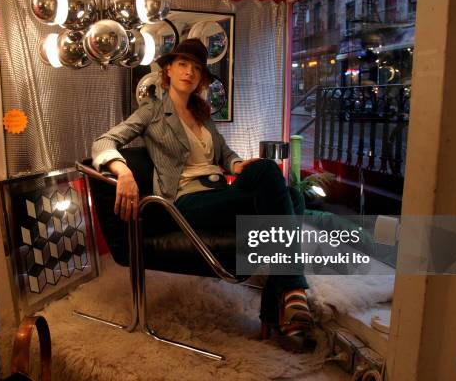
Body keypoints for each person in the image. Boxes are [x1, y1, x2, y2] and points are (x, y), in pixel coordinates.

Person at [92, 38, 314, 352]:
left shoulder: (202, 113)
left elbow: (225, 155)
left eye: (197, 68)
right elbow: (104, 141)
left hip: (219, 194)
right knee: (274, 179)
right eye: (183, 64)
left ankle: (274, 307)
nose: (190, 72)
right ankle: (292, 293)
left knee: (293, 196)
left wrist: (238, 163)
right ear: (168, 69)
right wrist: (123, 171)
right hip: (186, 202)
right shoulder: (152, 110)